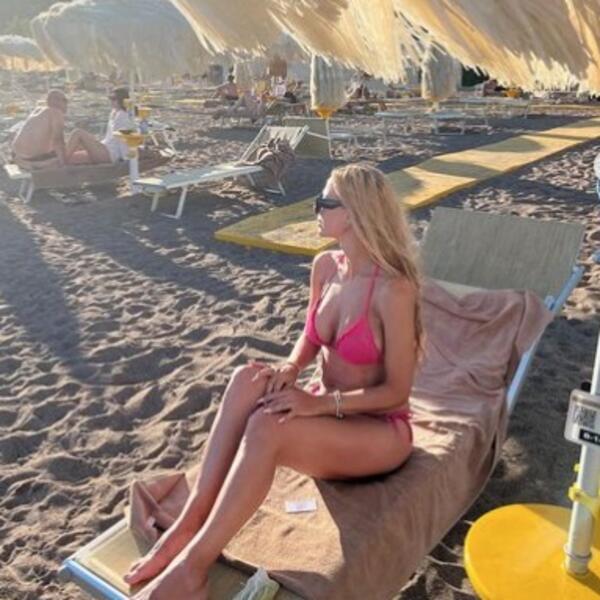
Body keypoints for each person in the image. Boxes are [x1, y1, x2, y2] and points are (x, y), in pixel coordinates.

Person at [124, 163, 422, 600]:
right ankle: (186, 526)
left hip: (379, 430)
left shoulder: (394, 290)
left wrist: (318, 404)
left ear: (355, 213)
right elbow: (311, 336)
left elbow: (396, 392)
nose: (315, 208)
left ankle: (193, 568)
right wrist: (291, 368)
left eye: (324, 202)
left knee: (266, 427)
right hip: (327, 410)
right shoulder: (326, 266)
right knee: (247, 378)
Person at [64, 86, 134, 165]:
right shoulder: (114, 112)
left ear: (122, 100)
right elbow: (110, 138)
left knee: (78, 133)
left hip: (110, 153)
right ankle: (61, 160)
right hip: (105, 147)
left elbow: (123, 139)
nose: (111, 101)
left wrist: (127, 159)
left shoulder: (123, 116)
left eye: (114, 99)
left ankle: (62, 162)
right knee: (75, 151)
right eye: (110, 98)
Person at [11, 89, 69, 167]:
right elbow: (58, 140)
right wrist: (63, 164)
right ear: (56, 101)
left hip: (17, 157)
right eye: (65, 100)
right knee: (78, 137)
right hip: (33, 160)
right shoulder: (56, 112)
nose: (67, 104)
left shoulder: (38, 111)